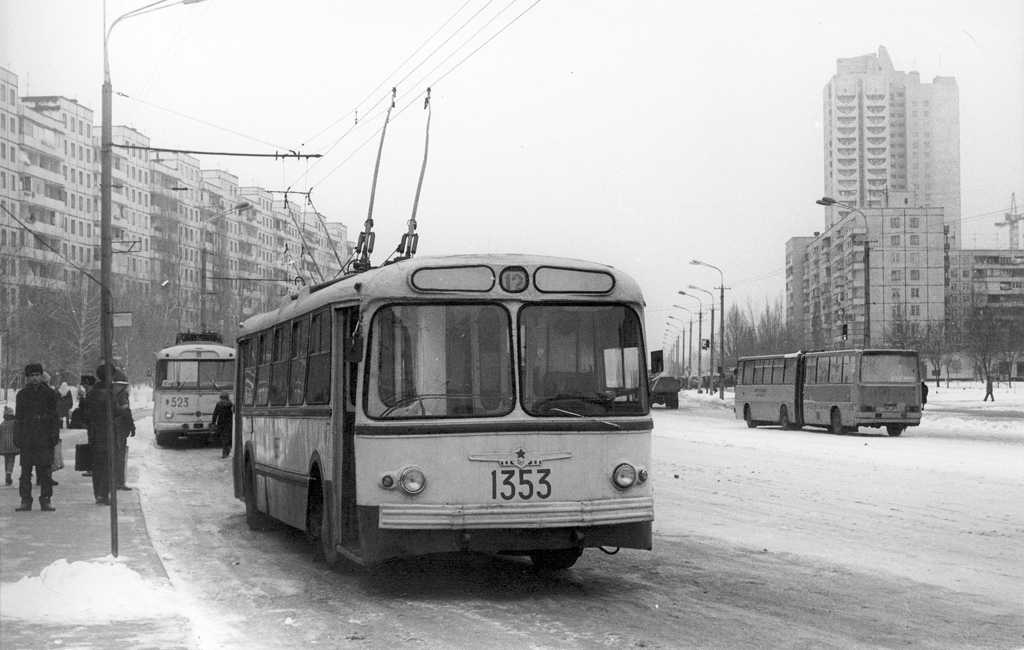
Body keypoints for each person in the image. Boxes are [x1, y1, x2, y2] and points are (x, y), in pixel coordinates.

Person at [80, 364, 131, 505]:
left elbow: (85, 414)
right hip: (108, 433)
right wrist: (124, 408)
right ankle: (103, 494)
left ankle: (98, 494)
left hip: (95, 433)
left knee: (97, 465)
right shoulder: (109, 393)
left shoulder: (92, 393)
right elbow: (115, 411)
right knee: (109, 465)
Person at [13, 363, 60, 512]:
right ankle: (25, 500)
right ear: (27, 377)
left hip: (44, 438)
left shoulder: (49, 394)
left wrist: (54, 436)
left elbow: (54, 416)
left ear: (41, 376)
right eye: (32, 376)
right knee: (25, 473)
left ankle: (45, 500)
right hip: (27, 438)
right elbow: (18, 418)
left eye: (37, 375)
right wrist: (17, 437)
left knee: (45, 471)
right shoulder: (22, 395)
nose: (35, 378)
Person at [113, 376, 135, 491]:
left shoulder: (111, 394)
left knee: (114, 455)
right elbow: (127, 412)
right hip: (121, 429)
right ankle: (119, 481)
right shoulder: (123, 395)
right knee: (120, 456)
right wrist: (131, 427)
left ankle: (114, 481)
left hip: (113, 428)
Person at [211, 392, 234, 458]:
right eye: (221, 399)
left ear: (227, 399)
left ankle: (224, 452)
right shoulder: (218, 405)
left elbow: (233, 414)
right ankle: (227, 449)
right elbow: (215, 414)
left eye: (224, 399)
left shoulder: (231, 405)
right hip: (220, 423)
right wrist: (213, 423)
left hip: (228, 423)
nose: (222, 400)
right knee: (221, 437)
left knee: (225, 437)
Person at [0, 406, 18, 485]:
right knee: (11, 460)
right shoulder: (14, 424)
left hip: (4, 445)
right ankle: (9, 473)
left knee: (6, 460)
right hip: (13, 445)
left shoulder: (2, 425)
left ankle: (7, 474)